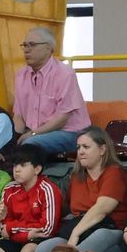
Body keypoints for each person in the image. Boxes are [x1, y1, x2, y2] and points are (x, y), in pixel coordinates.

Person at [32, 126, 127, 252]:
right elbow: (65, 208)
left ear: (102, 149)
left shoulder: (114, 172)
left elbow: (101, 210)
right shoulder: (76, 176)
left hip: (112, 229)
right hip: (79, 228)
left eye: (86, 147)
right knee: (43, 249)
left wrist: (75, 234)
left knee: (96, 238)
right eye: (78, 147)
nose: (80, 151)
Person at [13, 27, 90, 156]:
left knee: (30, 144)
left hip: (70, 133)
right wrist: (13, 138)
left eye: (32, 45)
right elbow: (18, 116)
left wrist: (32, 134)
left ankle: (35, 175)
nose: (26, 49)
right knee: (5, 145)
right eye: (24, 45)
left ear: (48, 48)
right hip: (35, 133)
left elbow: (62, 119)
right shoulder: (21, 75)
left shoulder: (65, 74)